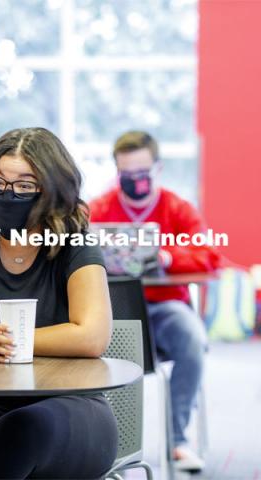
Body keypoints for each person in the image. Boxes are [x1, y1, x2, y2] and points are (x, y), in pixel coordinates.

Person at [0, 127, 118, 479]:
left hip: (74, 404)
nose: (8, 195)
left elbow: (92, 336)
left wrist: (8, 340)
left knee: (21, 433)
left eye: (24, 185)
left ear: (52, 191)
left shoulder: (74, 245)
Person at [89, 130, 221, 472]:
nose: (136, 181)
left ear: (157, 169)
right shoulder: (99, 209)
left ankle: (178, 439)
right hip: (116, 310)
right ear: (117, 171)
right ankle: (102, 442)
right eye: (127, 175)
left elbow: (207, 255)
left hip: (165, 307)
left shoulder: (177, 209)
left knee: (192, 338)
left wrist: (165, 257)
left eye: (142, 174)